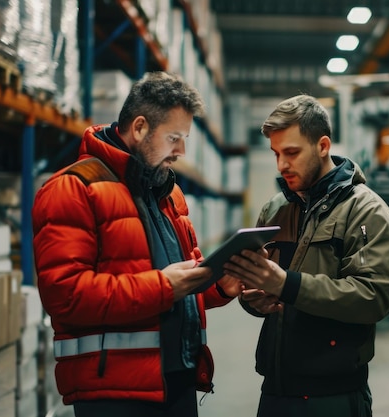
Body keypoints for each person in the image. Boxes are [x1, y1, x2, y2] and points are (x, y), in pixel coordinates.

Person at [32, 71, 242, 417]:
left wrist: (220, 285)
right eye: (174, 137)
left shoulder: (169, 194)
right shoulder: (73, 189)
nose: (182, 151)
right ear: (141, 127)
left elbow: (186, 283)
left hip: (177, 380)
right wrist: (162, 287)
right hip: (114, 393)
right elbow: (65, 295)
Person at [224, 94, 389, 417]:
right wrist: (253, 300)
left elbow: (373, 298)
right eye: (276, 154)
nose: (281, 165)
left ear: (322, 146)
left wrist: (287, 284)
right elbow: (263, 288)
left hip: (332, 395)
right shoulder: (275, 209)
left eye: (291, 153)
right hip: (275, 389)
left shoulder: (366, 211)